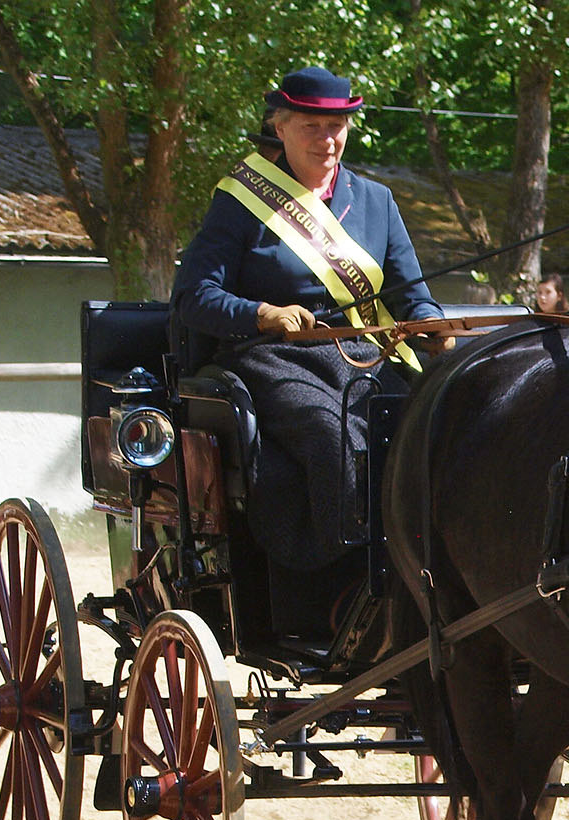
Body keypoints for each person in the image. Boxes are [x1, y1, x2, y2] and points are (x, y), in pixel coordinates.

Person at [172, 67, 448, 577]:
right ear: (279, 127)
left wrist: (431, 324)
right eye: (312, 127)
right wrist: (263, 314)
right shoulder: (239, 200)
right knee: (332, 434)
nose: (328, 141)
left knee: (434, 422)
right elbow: (194, 297)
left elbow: (413, 295)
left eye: (337, 127)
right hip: (269, 358)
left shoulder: (376, 202)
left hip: (366, 354)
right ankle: (341, 576)